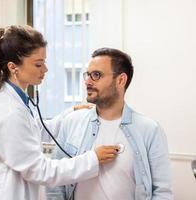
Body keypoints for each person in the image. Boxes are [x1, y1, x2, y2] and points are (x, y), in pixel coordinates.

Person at [0, 26, 120, 200]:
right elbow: (40, 171)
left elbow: (34, 131)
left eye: (44, 62)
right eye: (38, 64)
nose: (45, 69)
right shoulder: (8, 112)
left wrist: (69, 113)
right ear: (13, 67)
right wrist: (92, 159)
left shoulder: (17, 101)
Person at [46, 48, 173, 200]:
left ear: (121, 80)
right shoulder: (71, 123)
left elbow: (162, 192)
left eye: (96, 75)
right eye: (88, 75)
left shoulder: (150, 130)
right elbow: (55, 185)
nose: (88, 82)